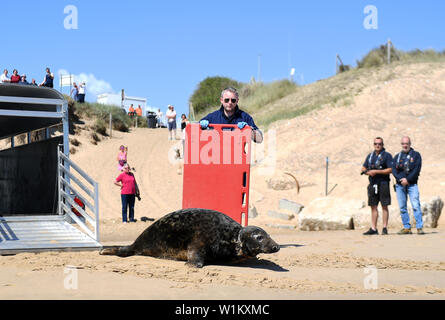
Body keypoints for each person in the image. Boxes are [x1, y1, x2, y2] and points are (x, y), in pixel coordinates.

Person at [361, 137, 393, 235]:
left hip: (383, 183)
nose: (377, 145)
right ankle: (374, 228)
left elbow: (390, 169)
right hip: (372, 184)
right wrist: (367, 172)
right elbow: (363, 167)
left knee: (384, 206)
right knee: (373, 206)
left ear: (383, 145)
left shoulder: (387, 156)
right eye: (375, 144)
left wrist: (376, 171)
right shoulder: (370, 156)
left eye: (379, 144)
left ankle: (384, 228)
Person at [392, 136, 424, 235]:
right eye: (403, 143)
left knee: (415, 205)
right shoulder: (397, 157)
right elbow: (394, 170)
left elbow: (416, 169)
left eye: (407, 143)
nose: (405, 145)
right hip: (400, 185)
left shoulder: (416, 155)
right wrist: (401, 179)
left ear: (410, 144)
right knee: (402, 207)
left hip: (412, 184)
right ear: (401, 144)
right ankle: (407, 227)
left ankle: (419, 227)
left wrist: (408, 179)